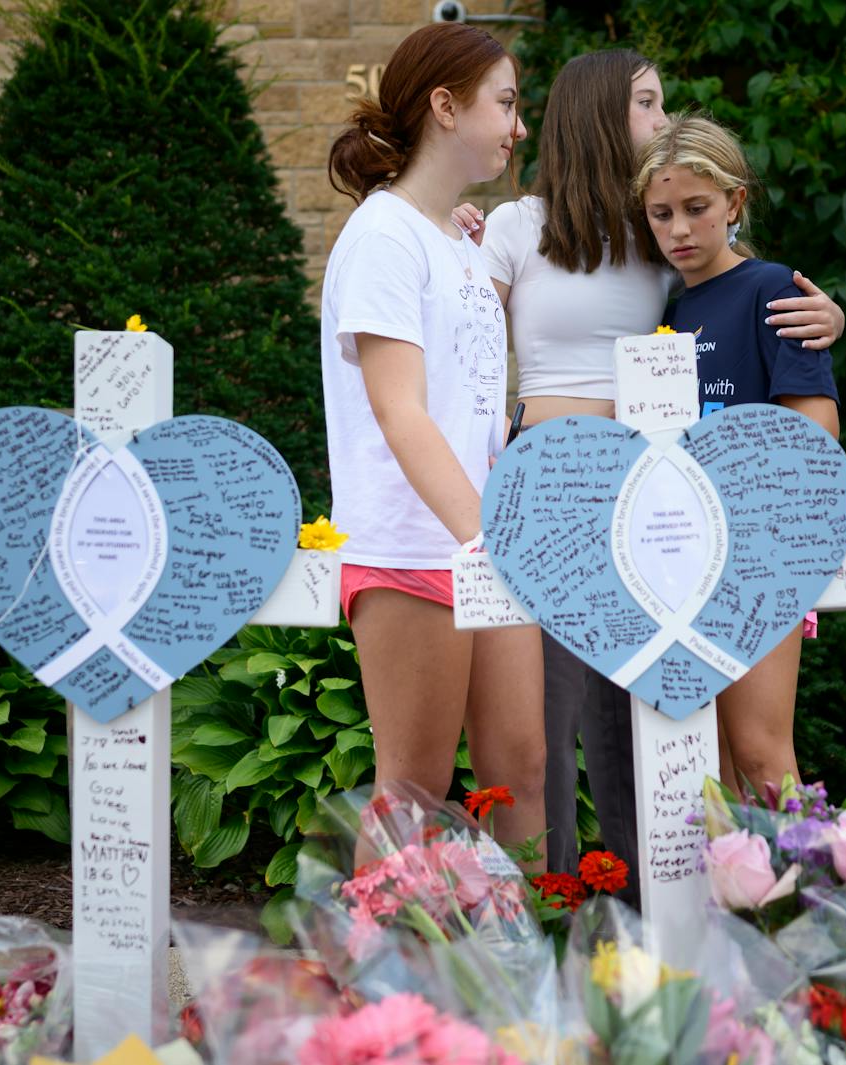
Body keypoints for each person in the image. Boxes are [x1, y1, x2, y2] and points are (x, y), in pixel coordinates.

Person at [453, 50, 845, 899]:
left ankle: (661, 908)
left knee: (642, 716)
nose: (663, 120)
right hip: (545, 490)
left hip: (651, 499)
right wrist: (438, 226)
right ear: (600, 110)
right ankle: (548, 911)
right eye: (647, 103)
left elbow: (741, 295)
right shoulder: (517, 225)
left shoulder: (659, 235)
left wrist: (830, 317)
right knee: (540, 724)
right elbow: (459, 340)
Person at [321, 23, 546, 866]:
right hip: (414, 543)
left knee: (522, 769)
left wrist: (497, 539)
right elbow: (400, 411)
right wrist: (481, 537)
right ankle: (378, 954)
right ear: (445, 107)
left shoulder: (453, 236)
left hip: (486, 542)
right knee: (413, 788)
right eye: (506, 103)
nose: (518, 126)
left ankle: (529, 938)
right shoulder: (382, 236)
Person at [640, 110, 841, 794]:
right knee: (715, 762)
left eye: (696, 208)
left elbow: (815, 432)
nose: (679, 229)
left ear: (735, 202)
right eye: (661, 214)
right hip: (682, 554)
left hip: (760, 552)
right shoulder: (669, 310)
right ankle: (740, 872)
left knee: (760, 752)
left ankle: (812, 868)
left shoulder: (772, 289)